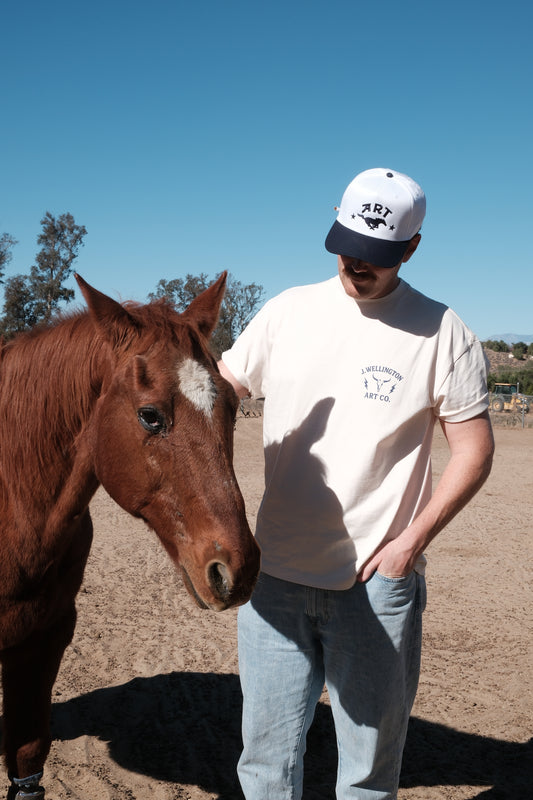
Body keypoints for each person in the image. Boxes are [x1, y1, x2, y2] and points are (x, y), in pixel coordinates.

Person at [218, 167, 494, 800]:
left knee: (368, 772)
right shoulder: (286, 312)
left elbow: (474, 451)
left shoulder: (442, 330)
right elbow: (218, 397)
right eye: (347, 246)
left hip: (375, 586)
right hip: (275, 580)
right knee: (264, 762)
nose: (356, 264)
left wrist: (408, 545)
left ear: (412, 247)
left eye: (376, 255)